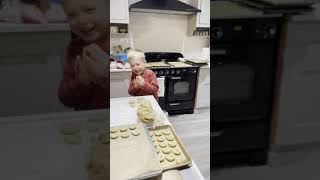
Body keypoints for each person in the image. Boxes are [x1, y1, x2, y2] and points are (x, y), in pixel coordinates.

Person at [58, 0, 109, 110]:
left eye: (89, 10)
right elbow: (65, 99)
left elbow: (130, 92)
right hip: (88, 123)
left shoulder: (122, 46)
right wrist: (82, 81)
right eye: (72, 15)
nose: (81, 20)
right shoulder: (74, 49)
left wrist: (106, 76)